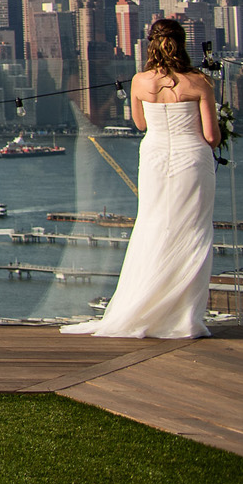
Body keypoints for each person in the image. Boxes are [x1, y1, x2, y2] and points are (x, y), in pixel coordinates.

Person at [62, 17, 220, 340]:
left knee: (152, 228)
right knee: (193, 231)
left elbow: (140, 124)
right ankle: (184, 316)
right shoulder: (199, 83)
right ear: (182, 43)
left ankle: (146, 306)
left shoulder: (138, 82)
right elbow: (212, 136)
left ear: (151, 45)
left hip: (155, 161)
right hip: (192, 161)